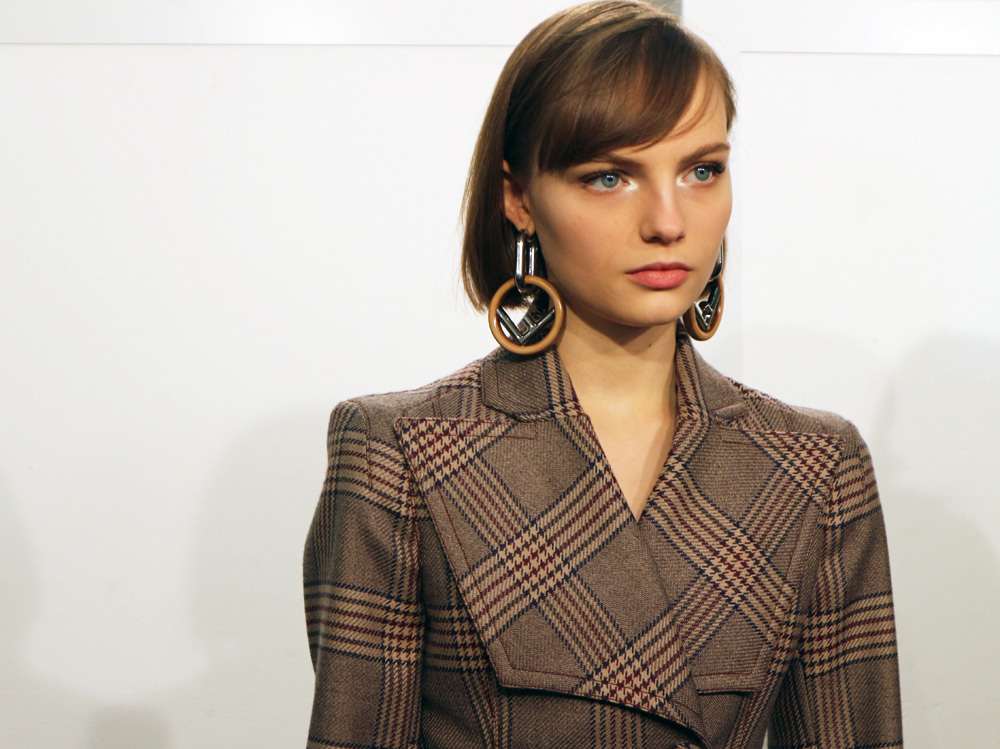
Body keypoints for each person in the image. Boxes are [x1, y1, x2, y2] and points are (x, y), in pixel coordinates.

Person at [303, 2, 903, 747]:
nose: (668, 222)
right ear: (518, 198)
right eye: (609, 177)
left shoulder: (813, 464)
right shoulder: (402, 449)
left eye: (702, 171)